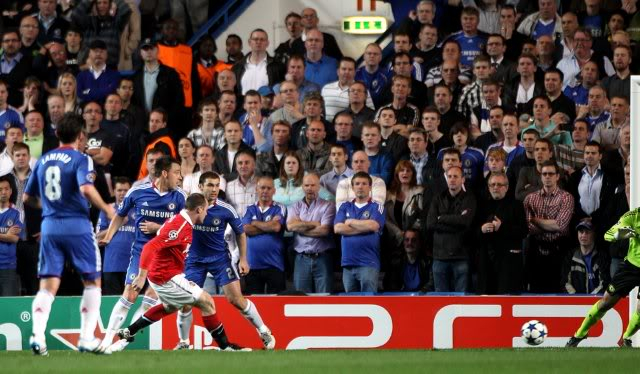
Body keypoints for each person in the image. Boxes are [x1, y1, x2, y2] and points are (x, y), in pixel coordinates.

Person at [24, 113, 115, 355]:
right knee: (92, 280)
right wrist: (107, 208)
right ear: (80, 136)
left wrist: (52, 207)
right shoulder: (82, 159)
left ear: (56, 134)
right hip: (77, 226)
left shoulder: (43, 159)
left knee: (48, 284)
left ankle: (37, 336)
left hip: (49, 227)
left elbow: (26, 197)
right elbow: (86, 188)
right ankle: (86, 338)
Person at [111, 193, 249, 351]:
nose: (206, 213)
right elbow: (150, 246)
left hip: (165, 274)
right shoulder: (181, 225)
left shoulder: (181, 221)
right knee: (207, 302)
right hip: (166, 276)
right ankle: (226, 347)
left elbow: (162, 235)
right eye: (205, 210)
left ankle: (130, 330)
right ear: (198, 210)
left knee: (169, 306)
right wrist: (142, 276)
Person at [175, 171, 275, 350]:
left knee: (236, 299)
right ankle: (183, 343)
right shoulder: (186, 206)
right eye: (210, 185)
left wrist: (243, 259)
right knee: (185, 302)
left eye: (216, 185)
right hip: (195, 260)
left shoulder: (226, 209)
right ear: (200, 187)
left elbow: (240, 233)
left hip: (219, 259)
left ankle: (264, 331)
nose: (214, 189)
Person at [98, 156, 186, 353]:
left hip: (166, 257)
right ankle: (106, 340)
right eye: (177, 172)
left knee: (150, 299)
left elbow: (184, 228)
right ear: (165, 173)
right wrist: (109, 236)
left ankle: (122, 341)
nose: (180, 177)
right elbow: (120, 215)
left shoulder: (180, 197)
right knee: (130, 294)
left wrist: (158, 227)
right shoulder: (138, 192)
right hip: (140, 253)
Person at [566, 207, 640, 348]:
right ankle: (579, 334)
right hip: (631, 267)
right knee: (606, 302)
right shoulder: (632, 216)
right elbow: (608, 235)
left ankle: (626, 338)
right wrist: (630, 232)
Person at [523, 160, 574, 293]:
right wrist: (550, 224)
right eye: (544, 174)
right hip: (536, 251)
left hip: (559, 250)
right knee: (536, 292)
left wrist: (535, 219)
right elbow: (528, 228)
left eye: (551, 174)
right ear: (540, 176)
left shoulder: (566, 198)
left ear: (557, 176)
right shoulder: (530, 198)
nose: (547, 176)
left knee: (558, 290)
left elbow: (560, 225)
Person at [427, 166, 476, 292]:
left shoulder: (469, 199)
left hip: (461, 256)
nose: (452, 179)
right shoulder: (437, 198)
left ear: (462, 179)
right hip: (439, 257)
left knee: (461, 302)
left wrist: (441, 217)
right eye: (449, 176)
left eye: (456, 176)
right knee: (440, 301)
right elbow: (431, 224)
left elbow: (465, 222)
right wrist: (456, 221)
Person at [476, 172, 527, 294]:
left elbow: (524, 231)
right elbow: (472, 233)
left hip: (508, 264)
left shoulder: (517, 205)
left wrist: (502, 227)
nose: (495, 187)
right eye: (492, 184)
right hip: (486, 263)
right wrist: (481, 230)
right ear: (488, 187)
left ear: (507, 187)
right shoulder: (481, 206)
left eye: (499, 184)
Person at [334, 172, 385, 293]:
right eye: (357, 184)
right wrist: (363, 227)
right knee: (351, 308)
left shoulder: (377, 206)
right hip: (348, 264)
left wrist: (350, 221)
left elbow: (373, 225)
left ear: (370, 187)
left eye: (364, 184)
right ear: (352, 188)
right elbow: (338, 229)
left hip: (368, 263)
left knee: (368, 303)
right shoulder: (344, 206)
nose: (360, 186)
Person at [288, 173, 336, 293]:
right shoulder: (295, 206)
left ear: (319, 186)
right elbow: (290, 226)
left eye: (313, 185)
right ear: (302, 188)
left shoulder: (328, 206)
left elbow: (324, 230)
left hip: (323, 258)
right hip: (301, 259)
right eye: (307, 185)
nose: (310, 188)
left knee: (324, 298)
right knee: (301, 299)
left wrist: (301, 229)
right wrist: (315, 224)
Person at [242, 176, 287, 294]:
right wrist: (268, 225)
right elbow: (245, 229)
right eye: (262, 188)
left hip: (275, 265)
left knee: (276, 304)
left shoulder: (279, 207)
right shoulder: (249, 209)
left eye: (268, 188)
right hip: (252, 266)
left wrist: (255, 223)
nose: (265, 191)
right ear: (257, 189)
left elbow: (276, 227)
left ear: (274, 191)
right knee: (254, 304)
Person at [96, 177, 135, 295]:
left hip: (133, 264)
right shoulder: (107, 210)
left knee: (133, 301)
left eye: (125, 190)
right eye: (119, 190)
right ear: (113, 192)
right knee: (111, 302)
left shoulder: (138, 210)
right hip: (112, 264)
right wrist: (117, 224)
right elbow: (97, 237)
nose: (122, 193)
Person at [562, 221, 609, 295]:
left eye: (587, 232)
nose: (583, 235)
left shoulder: (602, 255)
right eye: (581, 232)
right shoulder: (570, 256)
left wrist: (590, 298)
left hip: (597, 301)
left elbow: (605, 283)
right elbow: (565, 283)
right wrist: (577, 298)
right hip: (576, 302)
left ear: (594, 234)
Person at [232, 28, 284, 95]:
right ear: (249, 42)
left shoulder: (278, 66)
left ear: (267, 43)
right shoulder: (237, 67)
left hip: (268, 105)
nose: (258, 42)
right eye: (255, 39)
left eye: (262, 39)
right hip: (243, 105)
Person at [75, 40, 120, 104]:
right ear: (89, 54)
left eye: (101, 51)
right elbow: (79, 94)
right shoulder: (81, 76)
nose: (98, 54)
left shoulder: (115, 75)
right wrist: (103, 91)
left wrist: (89, 91)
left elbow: (111, 94)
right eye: (95, 51)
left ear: (106, 55)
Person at [0, 175, 23, 296]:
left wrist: (9, 236)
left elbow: (14, 238)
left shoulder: (16, 213)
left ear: (10, 191)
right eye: (0, 189)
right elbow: (8, 236)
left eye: (6, 189)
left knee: (8, 306)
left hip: (7, 267)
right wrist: (6, 234)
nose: (3, 192)